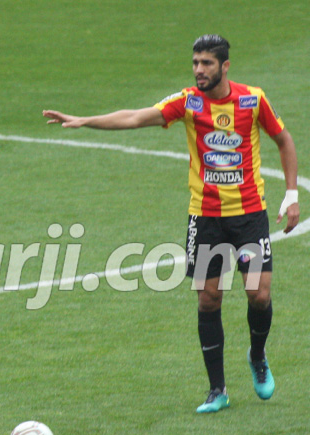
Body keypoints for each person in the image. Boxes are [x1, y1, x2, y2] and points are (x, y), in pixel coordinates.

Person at [42, 34, 299, 413]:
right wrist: (85, 121)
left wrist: (291, 194)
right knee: (209, 298)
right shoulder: (188, 102)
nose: (199, 70)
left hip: (249, 216)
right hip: (206, 217)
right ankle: (217, 390)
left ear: (225, 67)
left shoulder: (252, 99)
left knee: (259, 295)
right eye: (195, 62)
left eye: (207, 64)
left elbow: (284, 140)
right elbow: (135, 117)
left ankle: (257, 357)